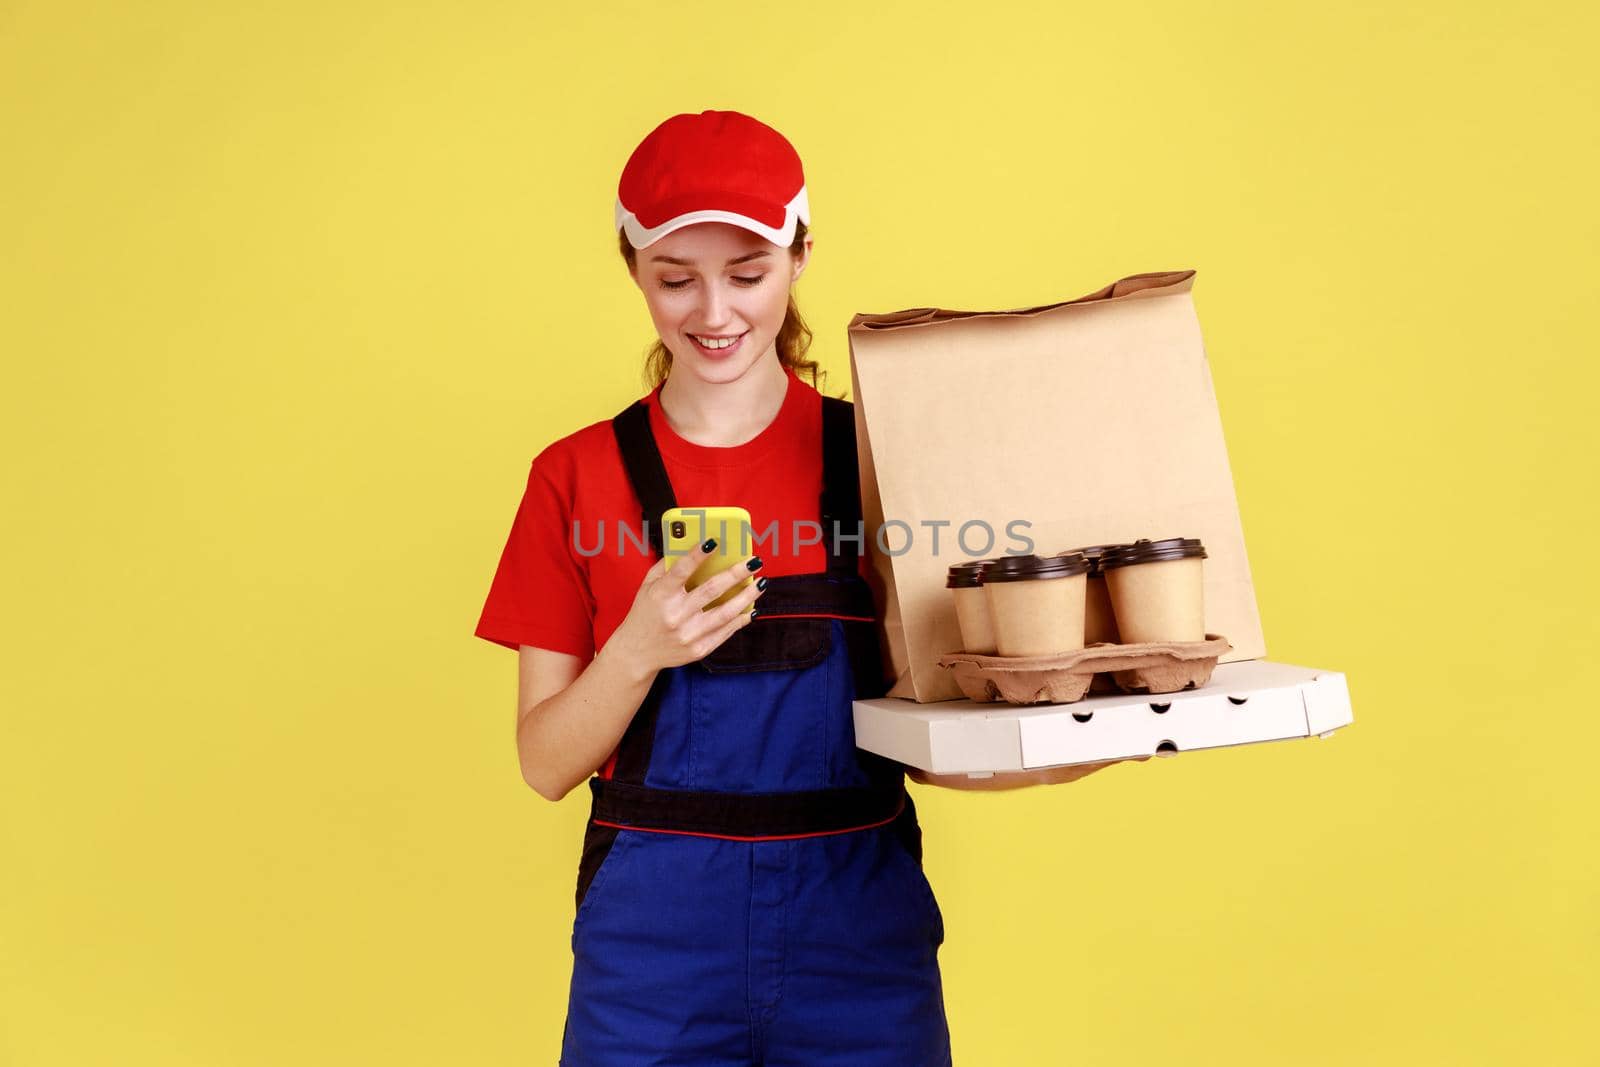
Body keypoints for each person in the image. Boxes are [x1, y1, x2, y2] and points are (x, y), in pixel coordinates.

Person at [474, 108, 1133, 1066]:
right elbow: (544, 762)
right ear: (631, 268)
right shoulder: (574, 477)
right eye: (675, 279)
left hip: (856, 943)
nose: (713, 313)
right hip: (651, 964)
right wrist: (637, 647)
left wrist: (1098, 740)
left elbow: (930, 735)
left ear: (800, 254)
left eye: (747, 275)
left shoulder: (876, 458)